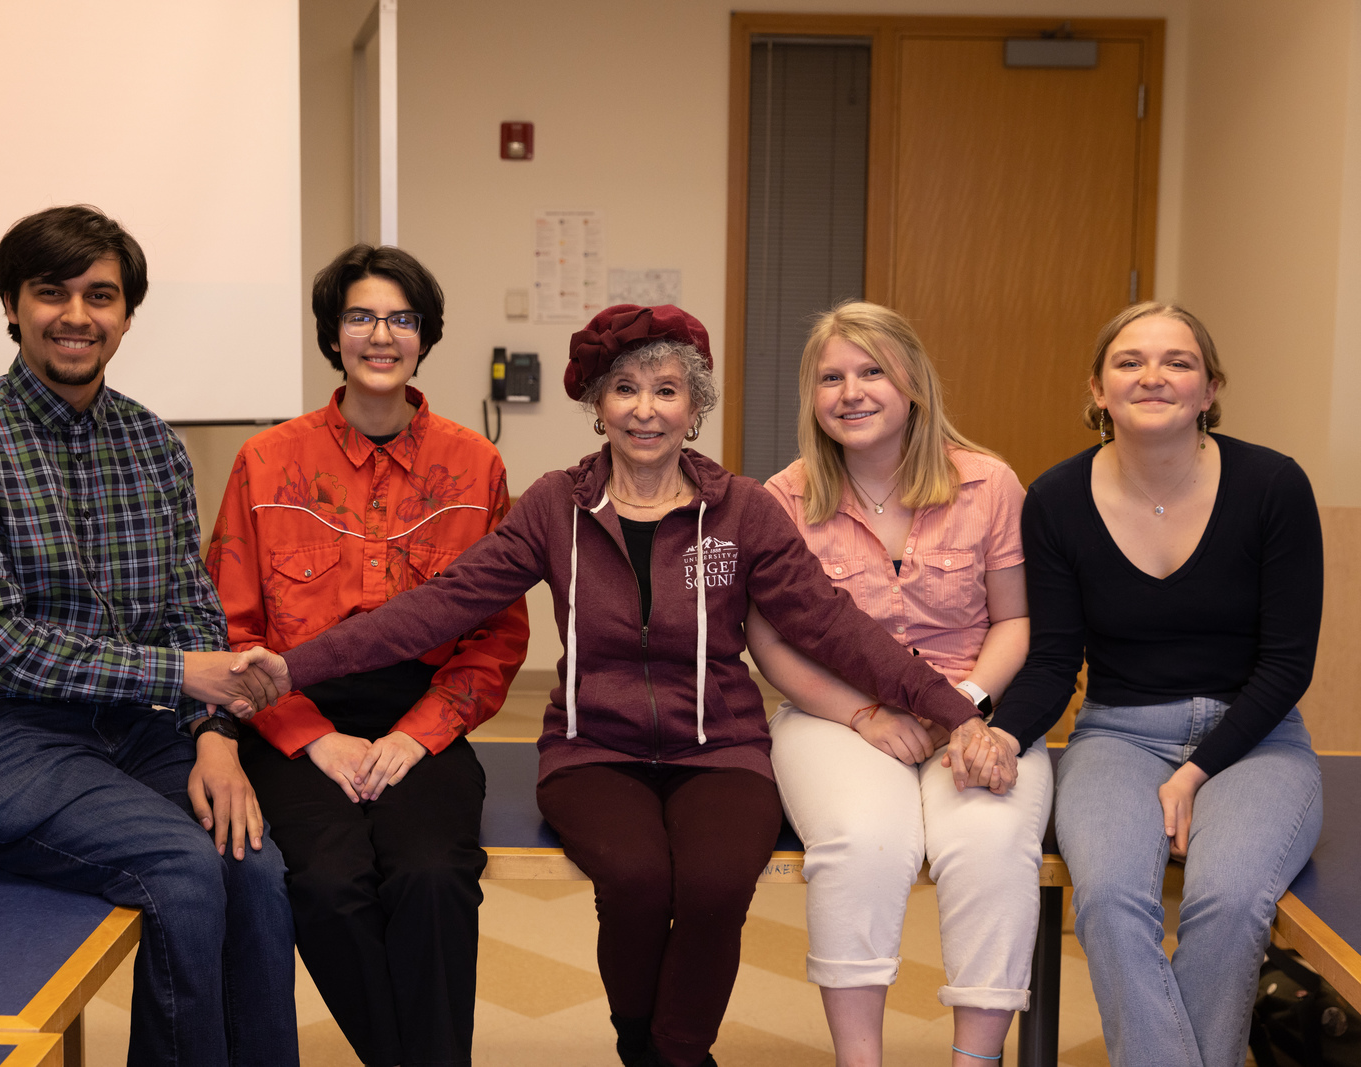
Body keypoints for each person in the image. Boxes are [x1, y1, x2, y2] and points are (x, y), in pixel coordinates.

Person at [227, 303, 999, 1067]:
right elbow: (434, 608)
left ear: (694, 406)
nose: (645, 409)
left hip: (720, 745)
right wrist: (295, 667)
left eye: (667, 390)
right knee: (633, 876)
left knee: (715, 879)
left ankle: (674, 1052)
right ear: (596, 402)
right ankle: (647, 1046)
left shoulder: (742, 511)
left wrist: (954, 711)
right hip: (591, 749)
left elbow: (835, 626)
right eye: (623, 388)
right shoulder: (553, 506)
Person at [0, 205, 294, 1067]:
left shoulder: (154, 442)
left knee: (256, 868)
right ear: (13, 306)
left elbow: (194, 609)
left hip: (135, 734)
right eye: (51, 293)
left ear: (126, 314)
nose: (76, 315)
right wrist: (180, 675)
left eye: (100, 295)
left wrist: (216, 739)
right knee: (185, 868)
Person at [205, 243, 529, 1067]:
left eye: (401, 318)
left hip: (422, 715)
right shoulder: (267, 460)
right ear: (333, 334)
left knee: (431, 876)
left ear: (424, 336)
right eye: (361, 316)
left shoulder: (475, 463)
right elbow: (234, 629)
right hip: (292, 713)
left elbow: (496, 635)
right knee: (325, 884)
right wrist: (315, 736)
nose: (380, 335)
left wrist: (414, 736)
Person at [988, 302, 1324, 1066]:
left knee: (1232, 901)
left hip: (1257, 737)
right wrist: (1003, 730)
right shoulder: (1056, 499)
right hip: (1117, 732)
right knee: (1107, 901)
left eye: (1177, 361)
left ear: (1210, 389)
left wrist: (1197, 772)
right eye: (1130, 361)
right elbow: (1051, 661)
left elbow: (1287, 664)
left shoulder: (1275, 485)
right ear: (1098, 390)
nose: (1153, 376)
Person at [745, 302, 1052, 1066]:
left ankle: (974, 1059)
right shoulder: (780, 498)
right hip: (836, 714)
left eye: (871, 370)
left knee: (991, 842)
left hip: (972, 706)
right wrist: (861, 714)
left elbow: (1015, 622)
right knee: (863, 843)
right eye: (830, 378)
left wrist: (970, 707)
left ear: (912, 380)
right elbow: (769, 639)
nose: (851, 392)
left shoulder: (988, 483)